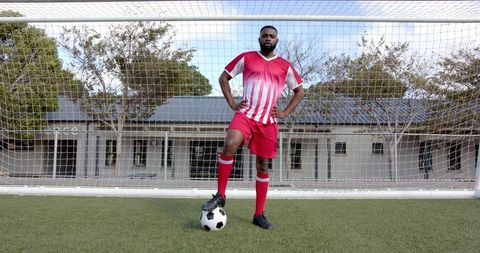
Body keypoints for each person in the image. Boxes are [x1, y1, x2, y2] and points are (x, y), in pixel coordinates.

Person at [201, 25, 304, 229]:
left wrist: (283, 113)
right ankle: (220, 195)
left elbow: (299, 91)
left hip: (268, 121)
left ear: (277, 40)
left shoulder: (285, 66)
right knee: (230, 144)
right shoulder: (246, 57)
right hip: (246, 115)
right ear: (259, 38)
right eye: (264, 35)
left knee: (263, 166)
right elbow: (224, 78)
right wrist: (232, 103)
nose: (268, 38)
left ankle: (259, 214)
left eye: (271, 36)